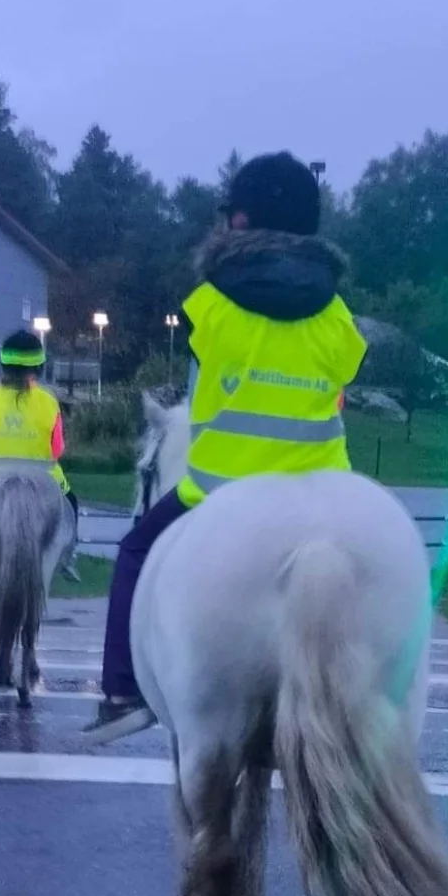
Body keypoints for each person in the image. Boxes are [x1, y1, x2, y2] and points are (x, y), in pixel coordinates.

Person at [84, 152, 367, 741]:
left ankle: (121, 692)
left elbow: (200, 390)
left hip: (216, 490)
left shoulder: (209, 307)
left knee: (136, 549)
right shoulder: (339, 317)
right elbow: (339, 385)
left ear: (242, 223)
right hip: (323, 496)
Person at [0, 330, 79, 578]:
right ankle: (69, 558)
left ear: (2, 363)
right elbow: (57, 448)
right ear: (38, 367)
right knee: (72, 502)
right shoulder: (49, 403)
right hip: (43, 483)